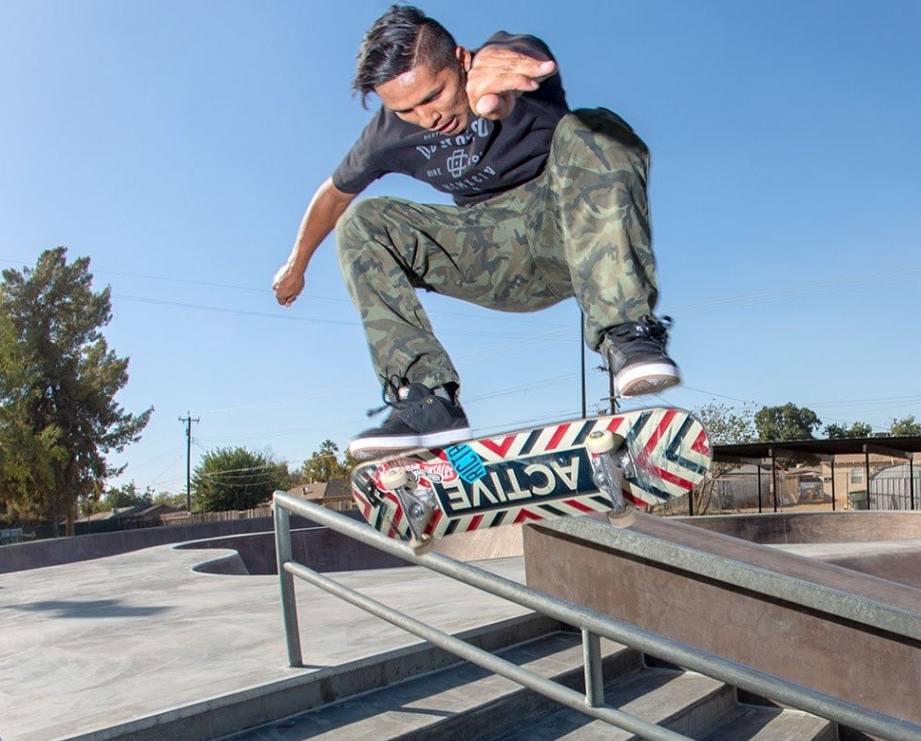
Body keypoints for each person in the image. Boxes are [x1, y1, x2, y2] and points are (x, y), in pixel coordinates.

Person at [273, 6, 680, 457]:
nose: (428, 117)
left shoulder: (505, 65)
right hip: (489, 255)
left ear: (462, 61)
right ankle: (428, 400)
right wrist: (296, 265)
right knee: (362, 222)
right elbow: (332, 195)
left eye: (436, 95)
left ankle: (626, 331)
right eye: (407, 110)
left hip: (568, 232)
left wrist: (496, 67)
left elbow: (528, 56)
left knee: (594, 126)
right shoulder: (388, 134)